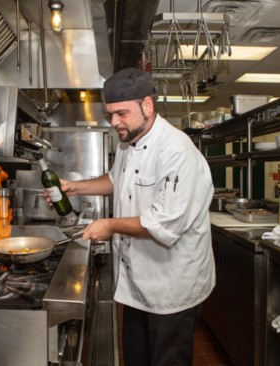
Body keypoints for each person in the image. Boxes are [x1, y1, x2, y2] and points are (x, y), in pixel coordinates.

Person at [61, 67, 215, 366]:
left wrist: (109, 225)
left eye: (121, 113)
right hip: (137, 281)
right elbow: (116, 179)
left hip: (172, 286)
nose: (114, 122)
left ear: (147, 105)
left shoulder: (175, 150)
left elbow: (162, 224)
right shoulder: (127, 141)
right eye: (110, 115)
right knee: (136, 358)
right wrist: (75, 188)